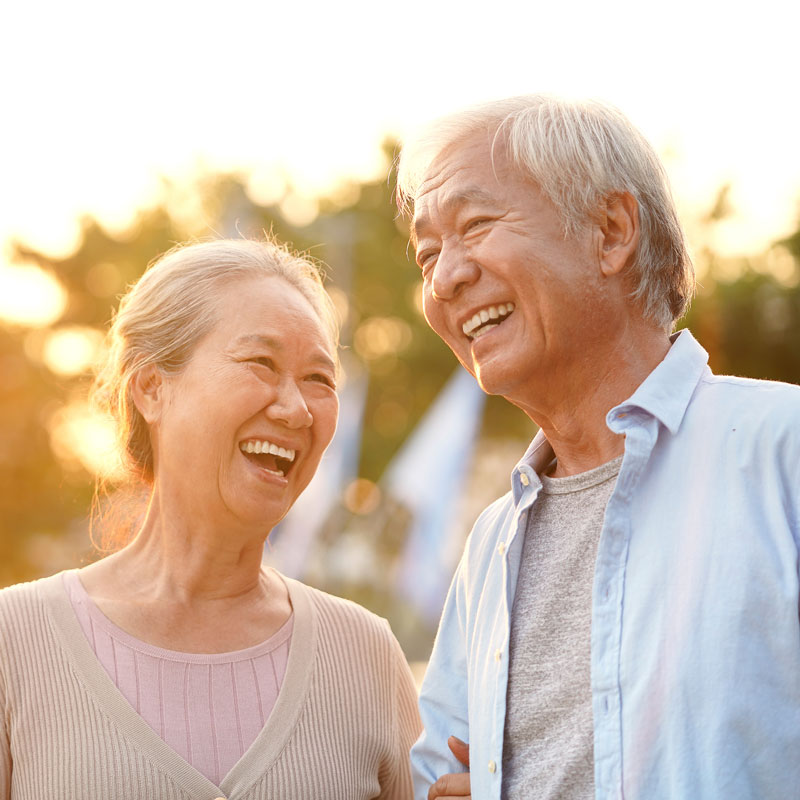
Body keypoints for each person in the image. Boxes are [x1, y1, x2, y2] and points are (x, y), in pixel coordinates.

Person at [395, 96, 800, 799]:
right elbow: (440, 774)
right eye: (429, 254)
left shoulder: (783, 451)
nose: (445, 277)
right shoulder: (491, 545)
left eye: (476, 225)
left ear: (610, 232)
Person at [0, 239, 421, 799]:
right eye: (261, 364)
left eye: (319, 379)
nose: (296, 408)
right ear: (152, 388)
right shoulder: (16, 643)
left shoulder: (365, 654)